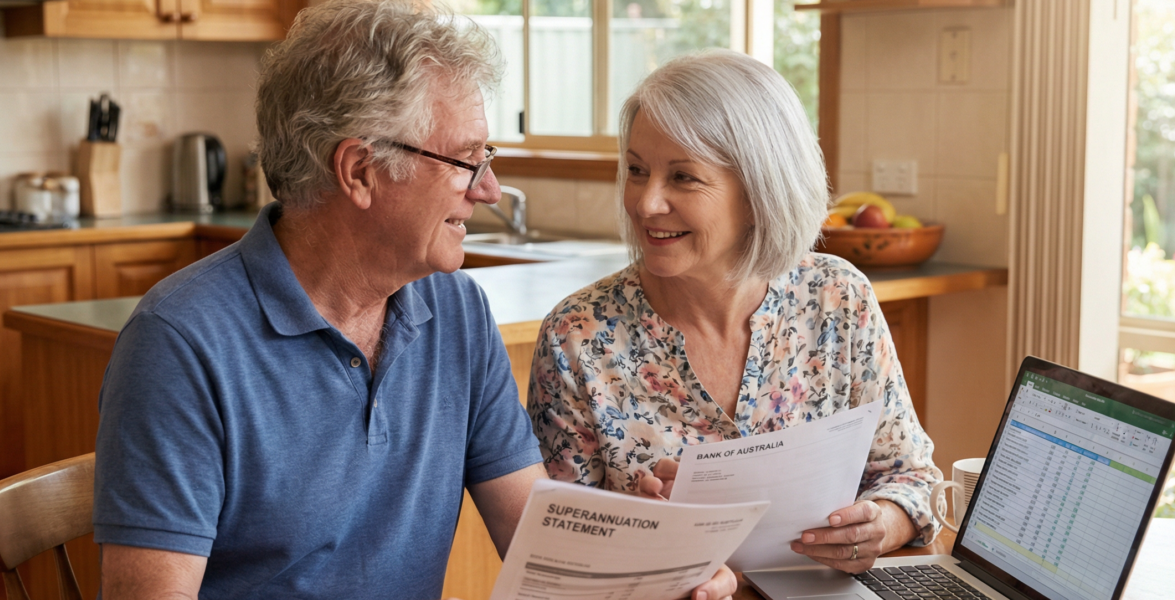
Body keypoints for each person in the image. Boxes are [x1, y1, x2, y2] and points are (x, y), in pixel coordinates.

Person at [91, 2, 737, 599]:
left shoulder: (456, 312)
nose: (488, 189)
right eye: (465, 160)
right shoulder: (178, 343)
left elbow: (542, 543)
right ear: (360, 172)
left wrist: (670, 555)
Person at [528, 49, 944, 574]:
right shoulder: (579, 336)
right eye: (637, 170)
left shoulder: (837, 298)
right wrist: (642, 535)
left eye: (683, 177)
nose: (645, 203)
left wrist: (879, 526)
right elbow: (557, 556)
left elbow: (912, 479)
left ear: (759, 192)